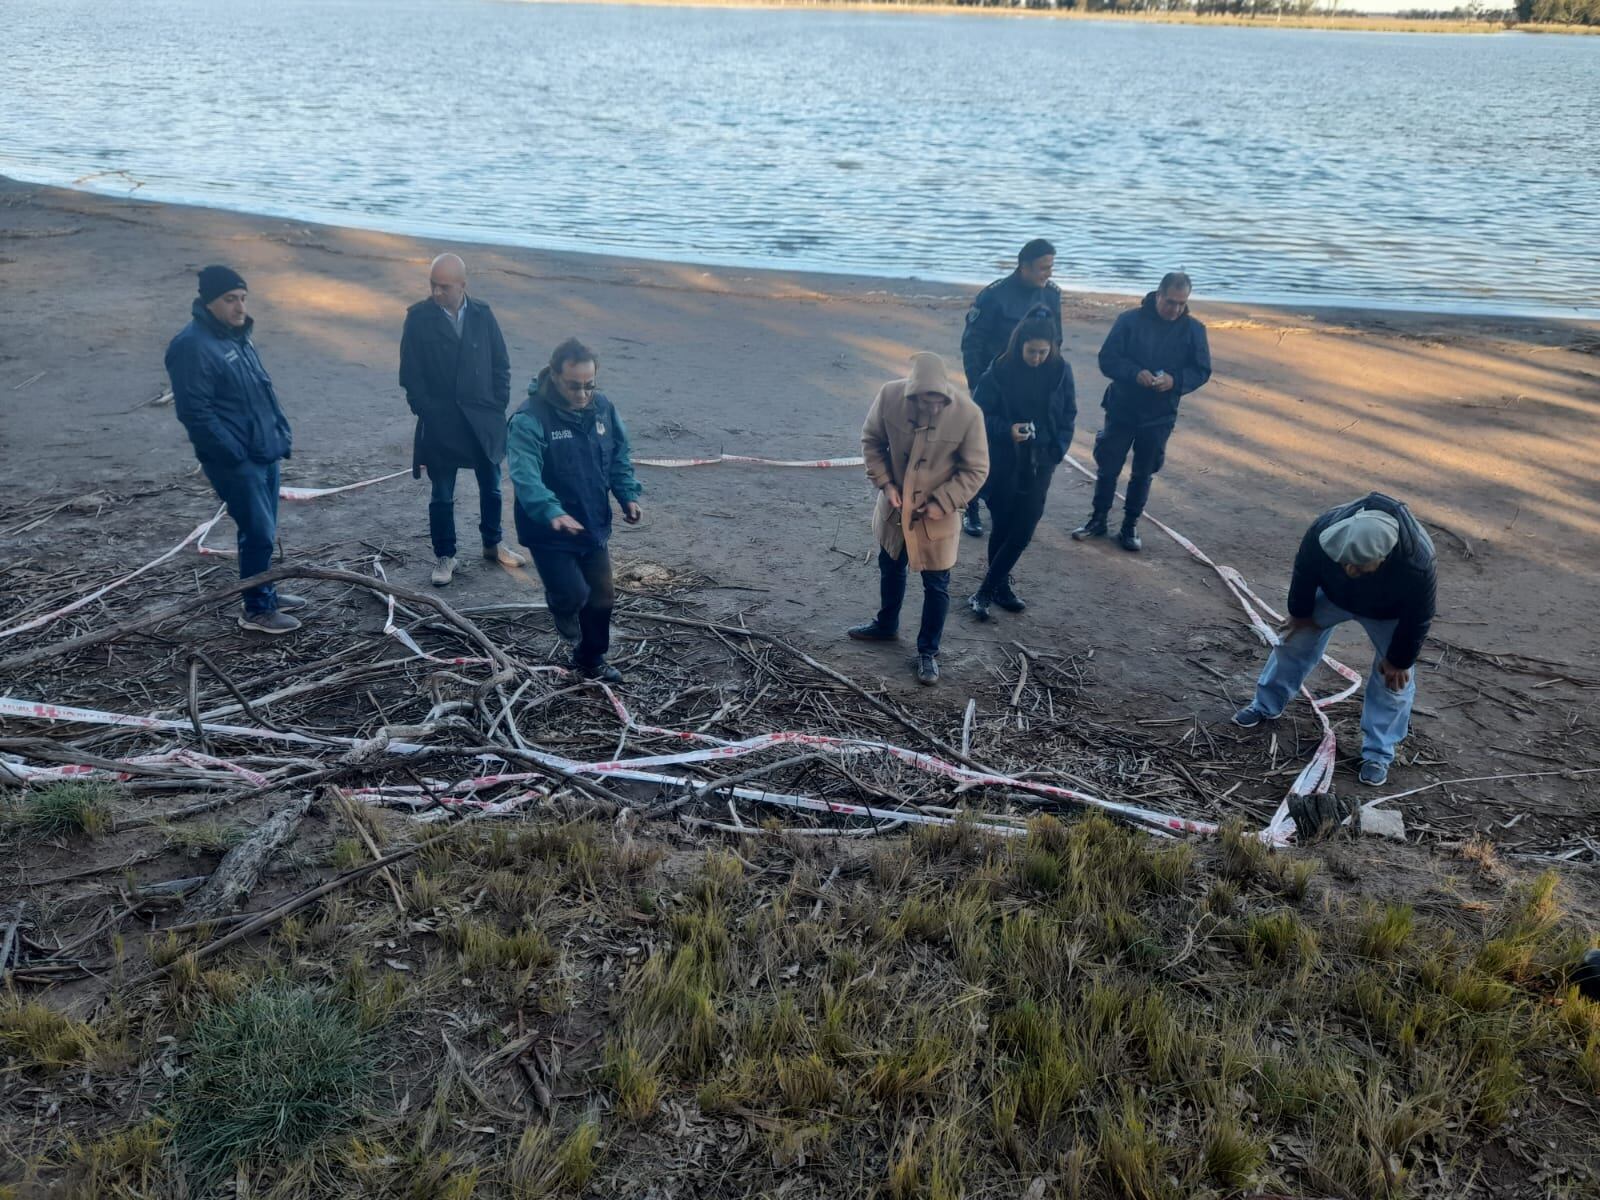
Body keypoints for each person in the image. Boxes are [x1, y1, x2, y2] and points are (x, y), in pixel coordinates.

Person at [1232, 494, 1437, 788]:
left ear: (1385, 556)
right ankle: (1264, 705)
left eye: (1360, 566)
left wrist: (1400, 659)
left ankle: (1378, 754)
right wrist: (1300, 612)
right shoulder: (1324, 529)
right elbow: (1304, 570)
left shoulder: (1417, 561)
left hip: (1389, 612)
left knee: (1394, 679)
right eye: (1345, 563)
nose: (1350, 571)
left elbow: (1420, 614)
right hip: (1333, 596)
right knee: (1294, 641)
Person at [166, 265, 305, 635]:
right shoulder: (191, 345)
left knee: (264, 529)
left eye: (242, 298)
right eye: (230, 299)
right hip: (235, 459)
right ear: (209, 301)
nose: (239, 307)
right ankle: (257, 610)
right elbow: (195, 412)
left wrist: (279, 433)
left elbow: (260, 391)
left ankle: (265, 592)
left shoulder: (237, 337)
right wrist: (233, 452)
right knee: (257, 530)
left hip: (263, 449)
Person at [506, 339, 643, 683]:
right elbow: (525, 476)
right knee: (573, 594)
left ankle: (591, 657)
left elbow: (618, 455)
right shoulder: (529, 418)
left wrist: (626, 494)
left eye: (589, 385)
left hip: (592, 522)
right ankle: (561, 606)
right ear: (554, 375)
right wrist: (550, 511)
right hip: (549, 529)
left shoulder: (603, 409)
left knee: (602, 597)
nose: (583, 394)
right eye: (574, 385)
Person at [850, 352, 989, 685]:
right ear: (912, 395)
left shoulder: (969, 414)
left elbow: (977, 469)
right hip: (895, 509)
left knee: (937, 585)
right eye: (926, 403)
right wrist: (885, 484)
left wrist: (944, 502)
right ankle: (886, 625)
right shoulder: (889, 396)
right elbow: (872, 441)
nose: (933, 409)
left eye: (938, 402)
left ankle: (928, 652)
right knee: (890, 566)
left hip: (937, 517)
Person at [399, 253, 527, 587]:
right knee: (441, 494)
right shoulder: (418, 318)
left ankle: (493, 543)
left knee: (492, 487)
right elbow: (410, 376)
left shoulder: (483, 315)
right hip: (440, 422)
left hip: (482, 419)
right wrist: (427, 411)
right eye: (433, 285)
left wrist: (497, 406)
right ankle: (445, 555)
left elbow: (501, 363)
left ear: (462, 286)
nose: (437, 292)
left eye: (444, 287)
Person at [1072, 271, 1211, 552]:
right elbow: (1107, 359)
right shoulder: (1129, 321)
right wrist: (1134, 374)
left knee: (1144, 471)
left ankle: (1130, 525)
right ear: (1157, 295)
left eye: (1181, 304)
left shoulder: (1194, 330)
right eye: (1170, 302)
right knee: (1108, 465)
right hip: (1122, 407)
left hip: (1160, 414)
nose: (1175, 309)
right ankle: (1098, 519)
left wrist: (1175, 381)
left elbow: (1201, 369)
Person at [968, 318, 1076, 620]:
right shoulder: (999, 371)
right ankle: (1000, 587)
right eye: (1032, 352)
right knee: (1002, 526)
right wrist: (1007, 430)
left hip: (1041, 460)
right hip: (1004, 460)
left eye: (1044, 352)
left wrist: (1057, 450)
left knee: (1024, 527)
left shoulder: (1060, 371)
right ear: (1019, 345)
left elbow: (1069, 413)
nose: (1038, 358)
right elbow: (977, 414)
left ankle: (985, 591)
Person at [958, 238, 1062, 539]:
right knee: (982, 446)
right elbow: (972, 344)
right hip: (993, 386)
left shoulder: (1052, 296)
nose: (1048, 274)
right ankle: (972, 507)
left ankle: (1014, 505)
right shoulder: (994, 296)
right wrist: (979, 387)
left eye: (1051, 268)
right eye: (1043, 268)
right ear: (1024, 266)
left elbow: (1056, 342)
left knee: (1024, 445)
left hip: (1032, 387)